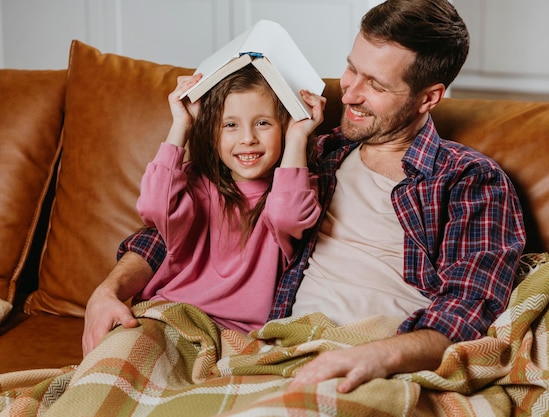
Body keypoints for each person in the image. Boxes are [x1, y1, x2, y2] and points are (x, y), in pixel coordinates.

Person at [83, 0, 526, 395]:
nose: (348, 92)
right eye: (352, 67)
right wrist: (110, 290)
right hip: (280, 341)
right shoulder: (314, 152)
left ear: (429, 98)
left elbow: (469, 306)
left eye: (375, 84)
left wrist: (374, 358)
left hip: (379, 354)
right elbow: (185, 223)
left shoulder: (469, 179)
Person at [132, 64, 323, 333]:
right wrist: (182, 124)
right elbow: (153, 208)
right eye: (230, 125)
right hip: (170, 315)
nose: (248, 138)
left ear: (284, 125)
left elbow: (286, 216)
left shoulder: (297, 188)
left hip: (243, 334)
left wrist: (297, 136)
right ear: (212, 132)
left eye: (263, 123)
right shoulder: (194, 183)